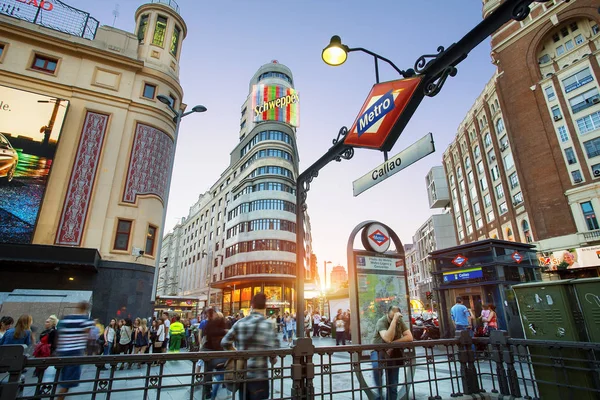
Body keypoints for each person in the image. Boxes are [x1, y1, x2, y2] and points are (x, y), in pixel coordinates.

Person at [221, 293, 279, 400]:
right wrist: (272, 358)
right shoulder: (268, 325)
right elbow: (274, 350)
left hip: (242, 374)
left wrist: (236, 353)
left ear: (252, 305)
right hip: (259, 376)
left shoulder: (240, 323)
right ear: (265, 306)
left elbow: (225, 342)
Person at [371, 306, 413, 400]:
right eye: (391, 317)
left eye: (396, 317)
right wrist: (394, 321)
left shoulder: (399, 320)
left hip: (393, 351)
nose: (394, 319)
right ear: (388, 314)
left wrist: (393, 344)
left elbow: (409, 337)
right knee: (377, 367)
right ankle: (379, 393)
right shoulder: (381, 321)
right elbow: (387, 338)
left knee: (393, 384)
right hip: (379, 350)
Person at [54, 301, 94, 400]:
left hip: (63, 351)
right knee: (67, 383)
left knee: (63, 380)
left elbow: (59, 334)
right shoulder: (86, 320)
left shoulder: (66, 319)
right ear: (87, 309)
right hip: (75, 351)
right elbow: (88, 336)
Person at [201, 309, 229, 400]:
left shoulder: (208, 326)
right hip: (216, 353)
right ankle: (223, 383)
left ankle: (207, 391)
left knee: (208, 371)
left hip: (206, 352)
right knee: (222, 368)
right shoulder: (222, 331)